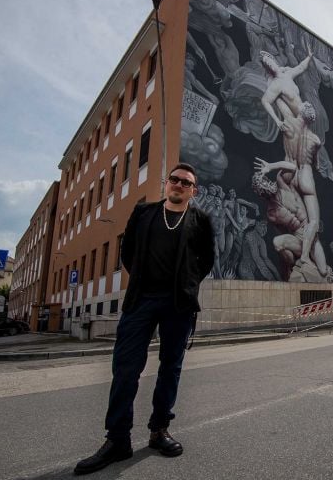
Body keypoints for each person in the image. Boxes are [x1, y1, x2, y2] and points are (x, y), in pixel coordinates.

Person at [74, 163, 215, 475]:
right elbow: (128, 253)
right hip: (141, 301)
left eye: (186, 182)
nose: (179, 185)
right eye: (174, 180)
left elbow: (206, 259)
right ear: (166, 184)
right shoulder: (144, 213)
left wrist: (188, 285)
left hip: (178, 304)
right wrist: (142, 280)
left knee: (170, 369)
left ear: (194, 191)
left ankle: (159, 430)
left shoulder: (200, 220)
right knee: (125, 369)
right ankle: (117, 440)